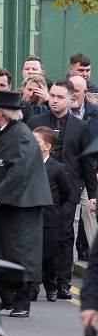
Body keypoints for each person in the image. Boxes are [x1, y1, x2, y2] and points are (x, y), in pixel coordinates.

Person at [0, 89, 52, 317]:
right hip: (14, 201)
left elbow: (19, 172)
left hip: (22, 203)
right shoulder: (12, 132)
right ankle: (7, 298)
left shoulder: (20, 135)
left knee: (21, 252)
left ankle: (21, 301)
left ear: (1, 114)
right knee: (5, 250)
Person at [29, 79, 95, 299]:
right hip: (39, 189)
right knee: (39, 235)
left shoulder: (81, 127)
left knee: (65, 236)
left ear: (70, 99)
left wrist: (93, 195)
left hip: (68, 191)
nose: (55, 101)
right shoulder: (36, 121)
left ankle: (63, 282)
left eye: (60, 97)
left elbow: (87, 163)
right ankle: (38, 281)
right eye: (53, 96)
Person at [32, 127, 74, 302]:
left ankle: (51, 285)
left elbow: (66, 191)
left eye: (37, 142)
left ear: (47, 146)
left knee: (49, 254)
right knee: (33, 254)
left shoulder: (58, 168)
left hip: (50, 217)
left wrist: (54, 206)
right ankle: (32, 287)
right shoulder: (28, 164)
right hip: (31, 215)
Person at [69, 73, 98, 256]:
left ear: (85, 92)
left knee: (91, 214)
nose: (72, 95)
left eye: (76, 91)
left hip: (89, 176)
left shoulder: (95, 114)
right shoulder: (59, 114)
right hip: (67, 175)